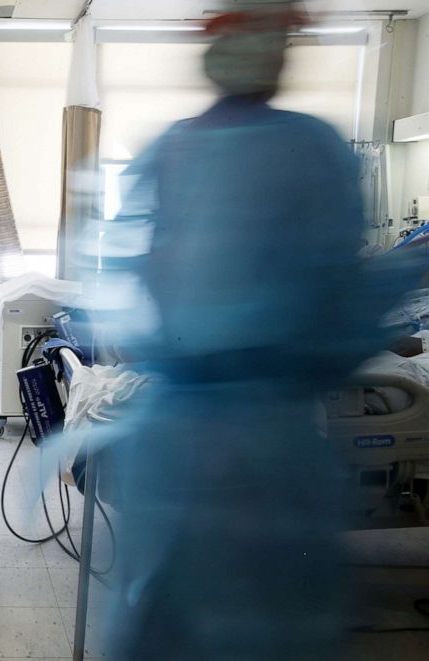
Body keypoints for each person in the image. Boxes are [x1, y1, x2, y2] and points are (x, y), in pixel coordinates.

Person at [77, 1, 425, 658]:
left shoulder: (202, 151)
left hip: (200, 440)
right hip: (260, 439)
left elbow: (127, 286)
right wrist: (403, 275)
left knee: (183, 616)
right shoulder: (295, 150)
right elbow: (341, 306)